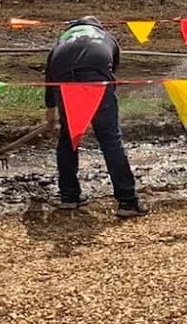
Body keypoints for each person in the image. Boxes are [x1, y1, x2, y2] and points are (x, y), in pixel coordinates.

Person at [44, 16, 144, 216]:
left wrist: (50, 111)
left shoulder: (63, 39)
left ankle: (69, 197)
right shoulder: (107, 37)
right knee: (110, 139)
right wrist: (98, 108)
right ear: (97, 26)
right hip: (97, 81)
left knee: (68, 138)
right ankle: (127, 202)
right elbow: (111, 72)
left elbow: (50, 75)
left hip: (64, 82)